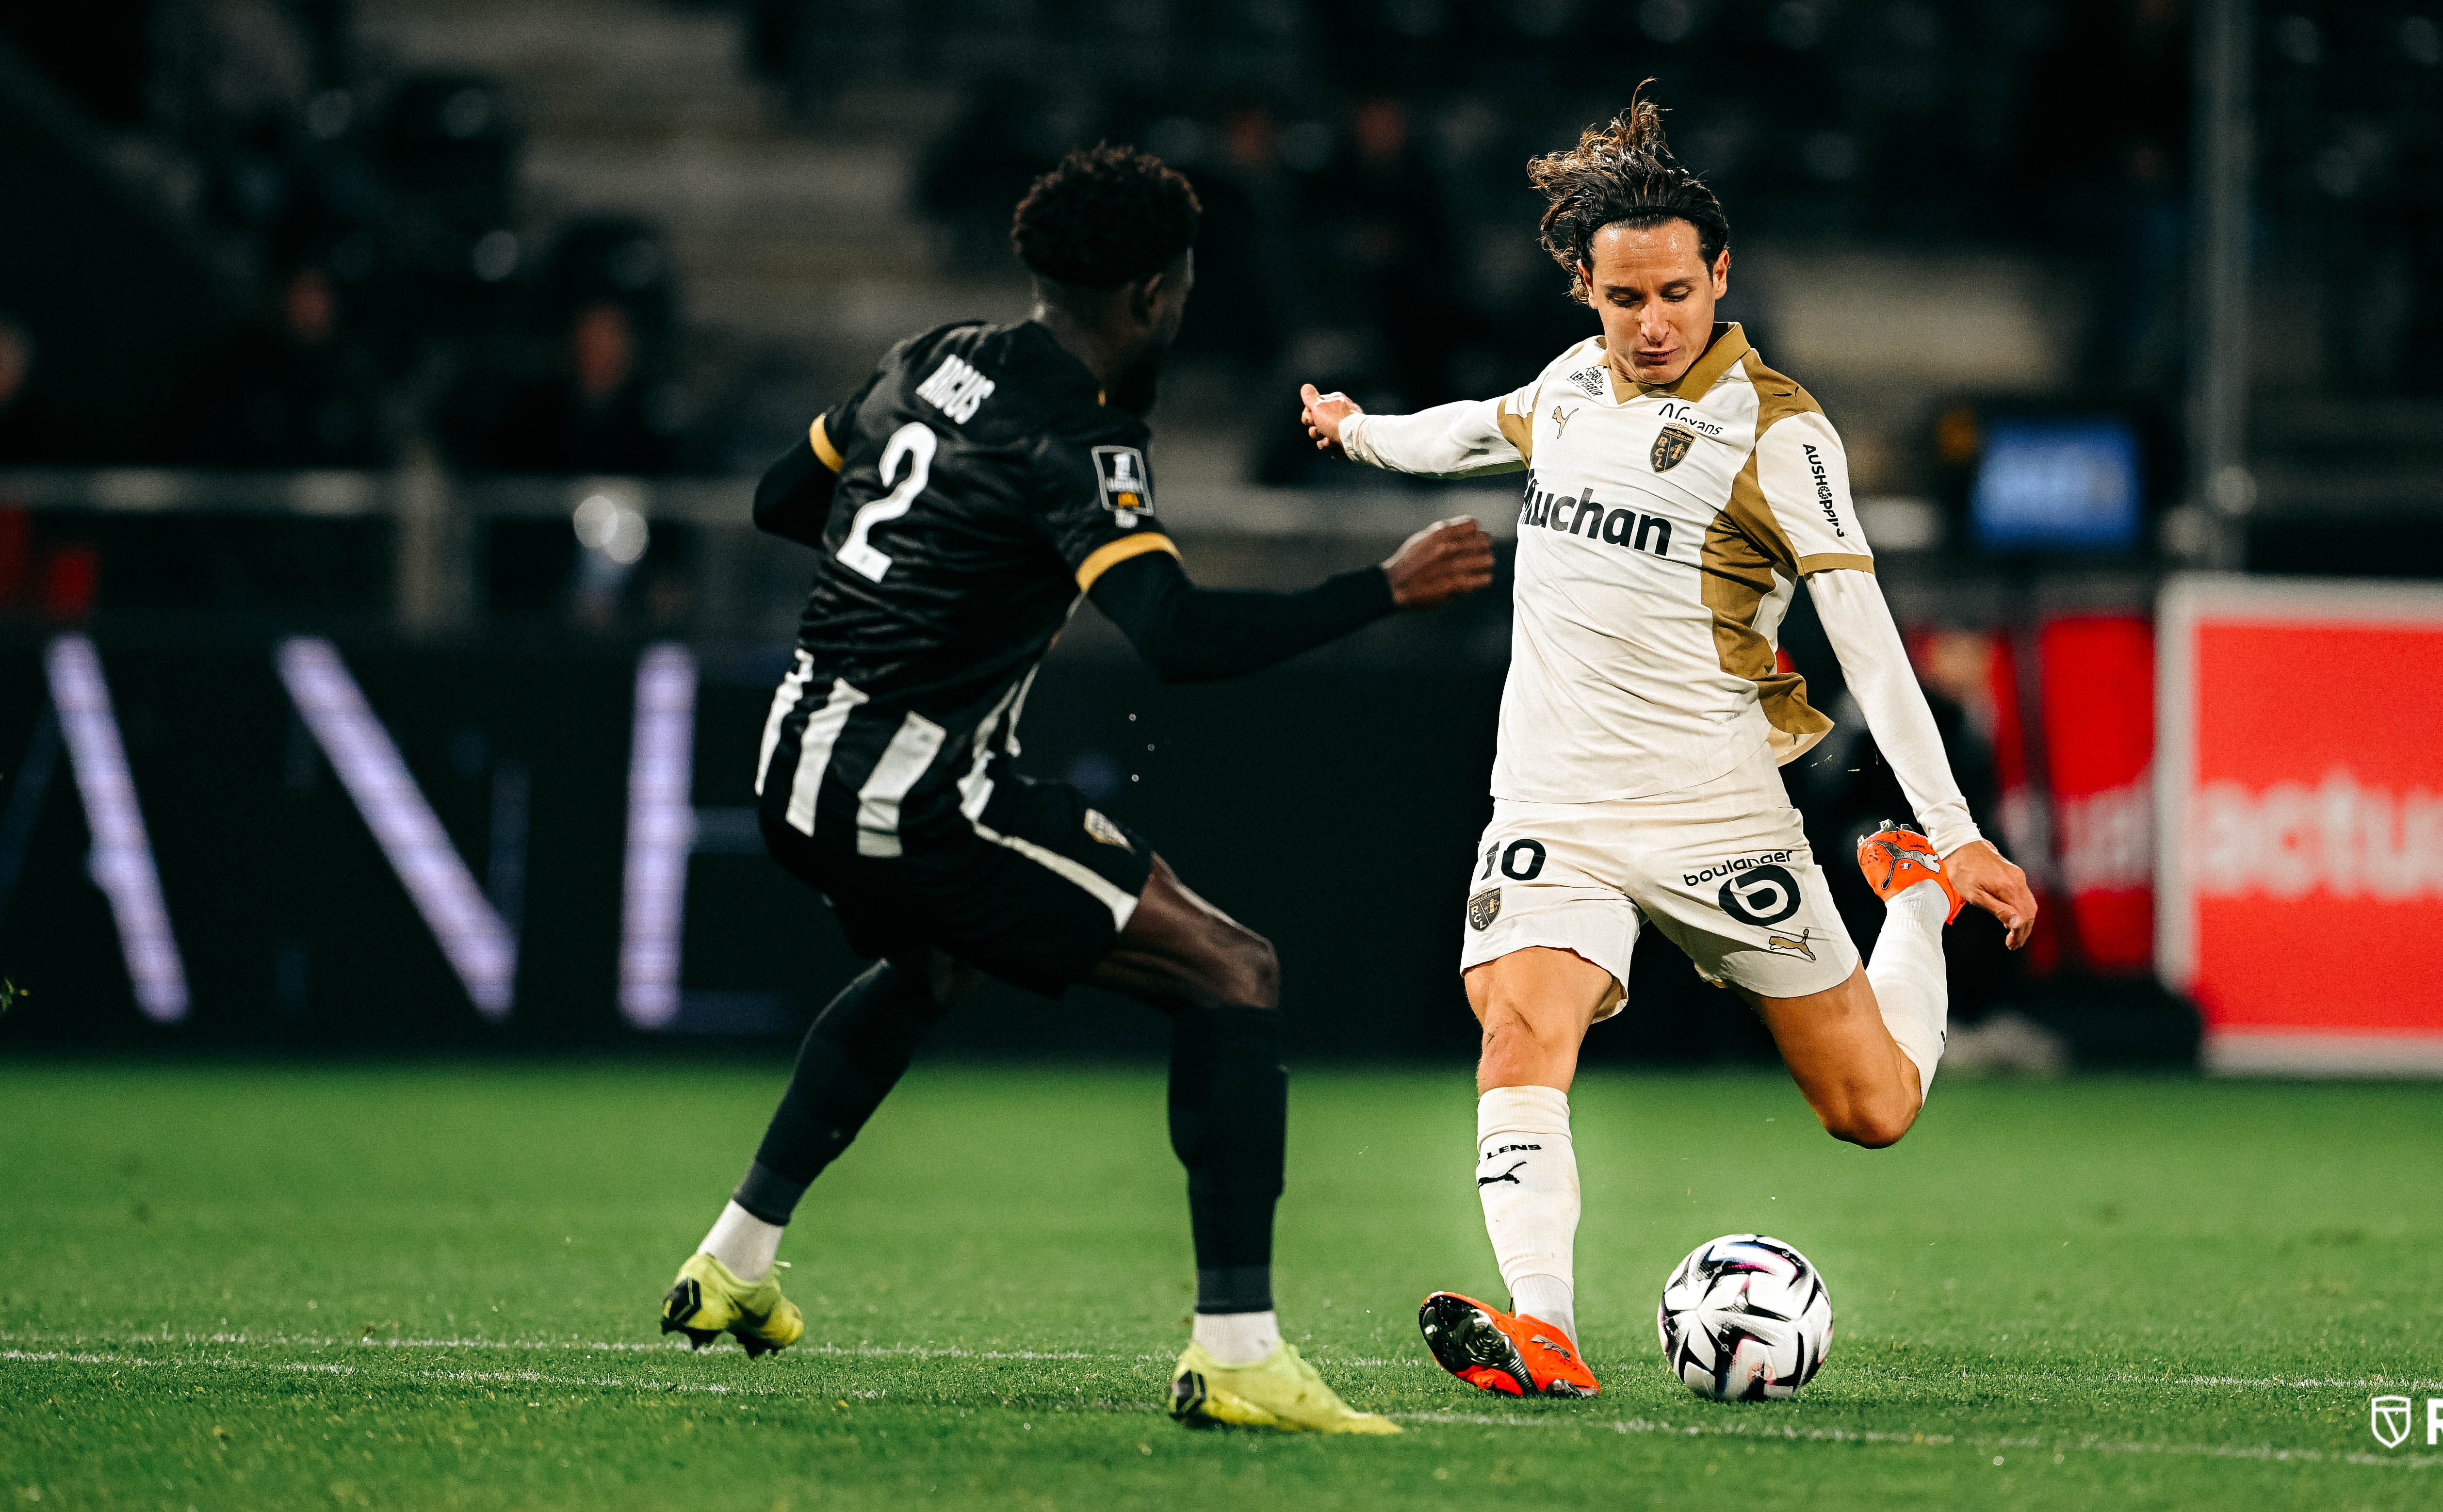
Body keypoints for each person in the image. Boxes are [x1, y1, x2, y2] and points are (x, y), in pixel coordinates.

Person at [657, 145, 1494, 1434]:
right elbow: (1177, 637)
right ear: (1154, 295)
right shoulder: (1077, 439)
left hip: (793, 760)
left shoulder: (928, 357)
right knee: (1233, 971)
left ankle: (733, 1265)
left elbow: (786, 500)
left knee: (933, 966)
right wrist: (1378, 589)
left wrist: (925, 562)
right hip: (911, 789)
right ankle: (1239, 1353)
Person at [1299, 91, 2038, 1399]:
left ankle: (1909, 902)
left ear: (1721, 278)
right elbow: (1468, 429)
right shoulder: (1574, 383)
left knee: (1871, 1110)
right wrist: (1357, 431)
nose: (1652, 326)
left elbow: (1861, 631)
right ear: (1585, 285)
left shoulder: (1779, 429)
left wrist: (1962, 835)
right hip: (1553, 803)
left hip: (1719, 821)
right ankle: (1545, 1334)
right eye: (1626, 297)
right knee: (1519, 1038)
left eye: (1679, 296)